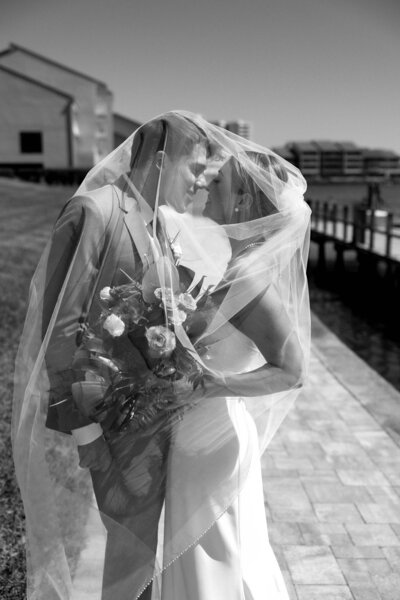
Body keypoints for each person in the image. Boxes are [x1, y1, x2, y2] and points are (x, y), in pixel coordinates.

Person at [13, 111, 311, 600]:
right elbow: (61, 329)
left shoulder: (162, 229)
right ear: (160, 161)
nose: (201, 184)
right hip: (117, 426)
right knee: (140, 556)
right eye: (196, 169)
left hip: (175, 429)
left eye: (212, 179)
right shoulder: (95, 210)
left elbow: (285, 366)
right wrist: (86, 430)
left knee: (189, 555)